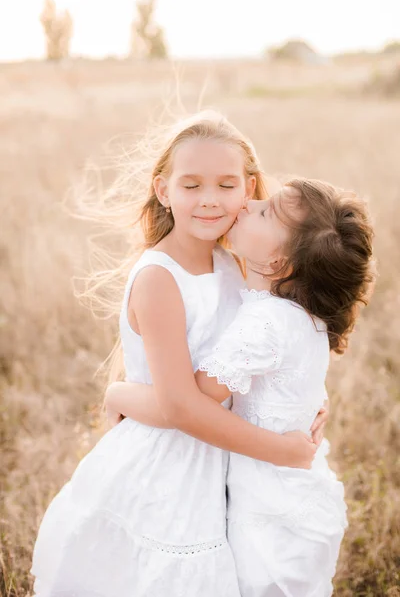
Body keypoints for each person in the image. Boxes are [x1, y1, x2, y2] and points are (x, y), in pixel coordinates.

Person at [30, 112, 326, 597]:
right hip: (170, 471)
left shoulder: (238, 263)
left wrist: (309, 398)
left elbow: (278, 342)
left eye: (225, 184)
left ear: (249, 189)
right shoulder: (159, 278)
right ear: (163, 190)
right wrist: (285, 450)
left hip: (227, 460)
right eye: (191, 185)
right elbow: (180, 407)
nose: (210, 199)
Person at [105, 178, 375, 596]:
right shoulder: (298, 315)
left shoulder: (265, 324)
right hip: (299, 498)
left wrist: (116, 394)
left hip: (270, 513)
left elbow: (183, 404)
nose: (248, 204)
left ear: (279, 263)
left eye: (265, 211)